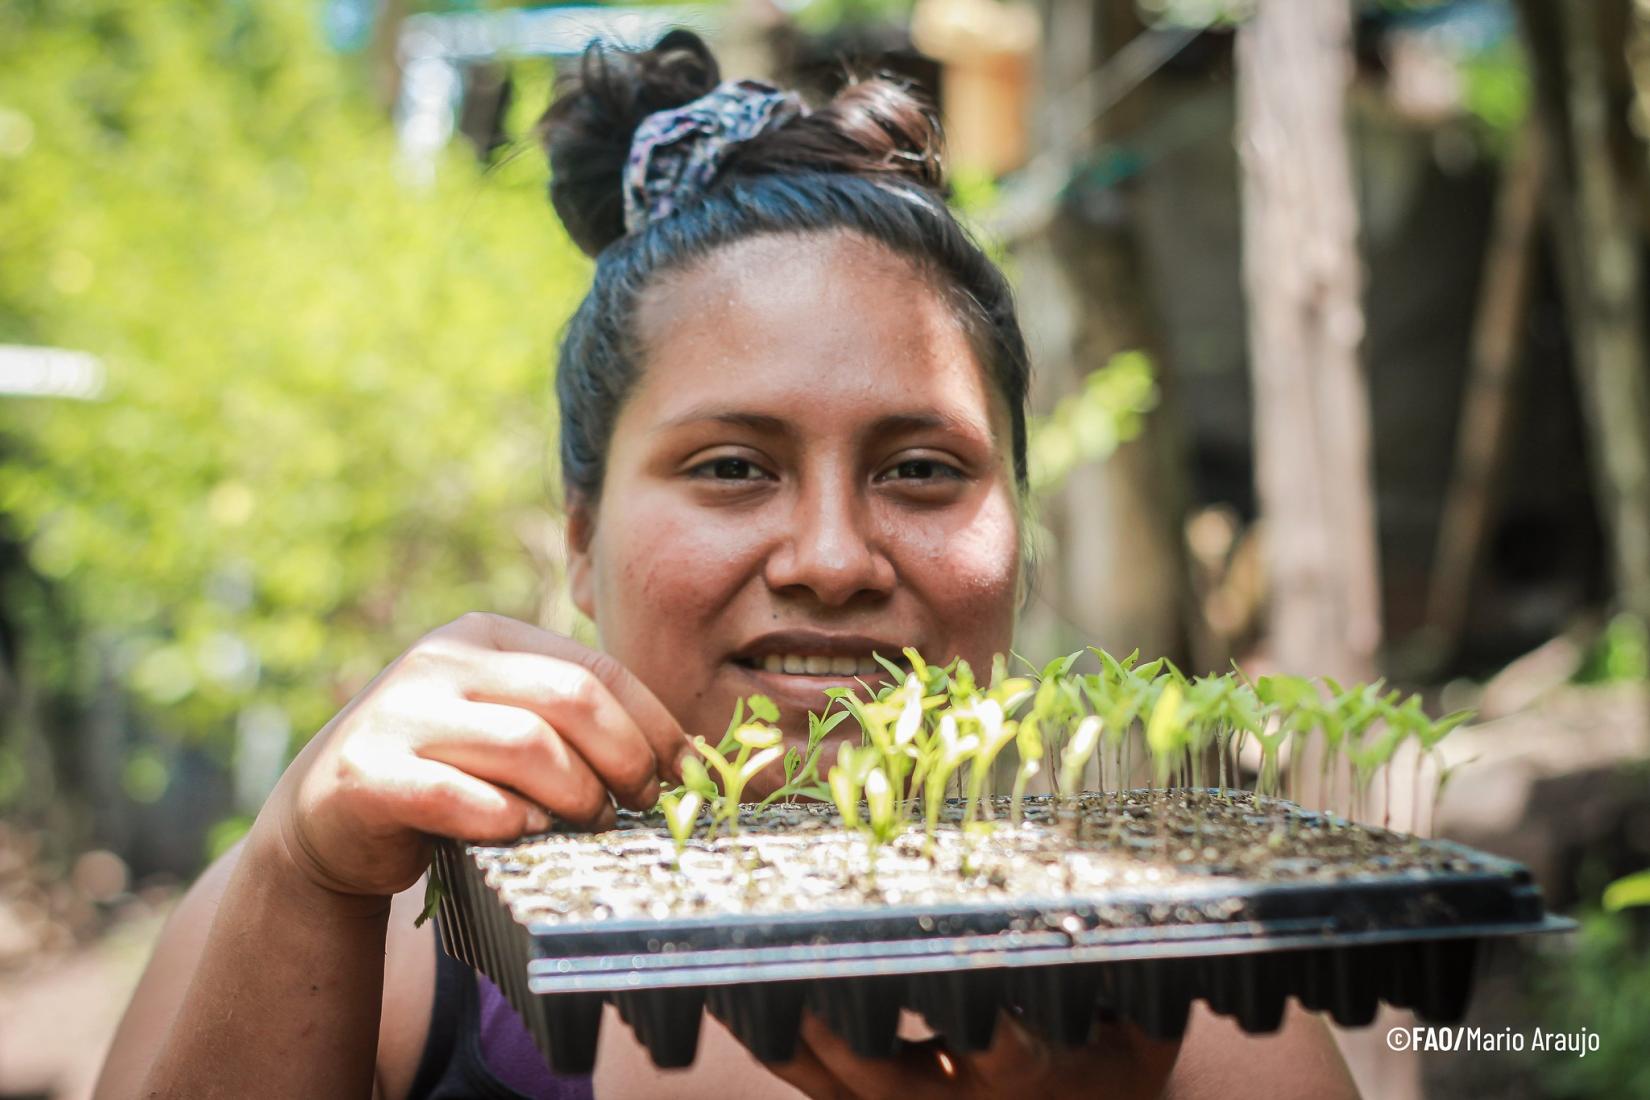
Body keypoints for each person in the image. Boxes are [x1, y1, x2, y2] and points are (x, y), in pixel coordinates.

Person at [94, 31, 1360, 1100]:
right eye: (731, 467)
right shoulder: (387, 948)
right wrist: (298, 869)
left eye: (921, 468)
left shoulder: (1180, 993)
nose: (830, 559)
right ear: (581, 538)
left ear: (1019, 526)